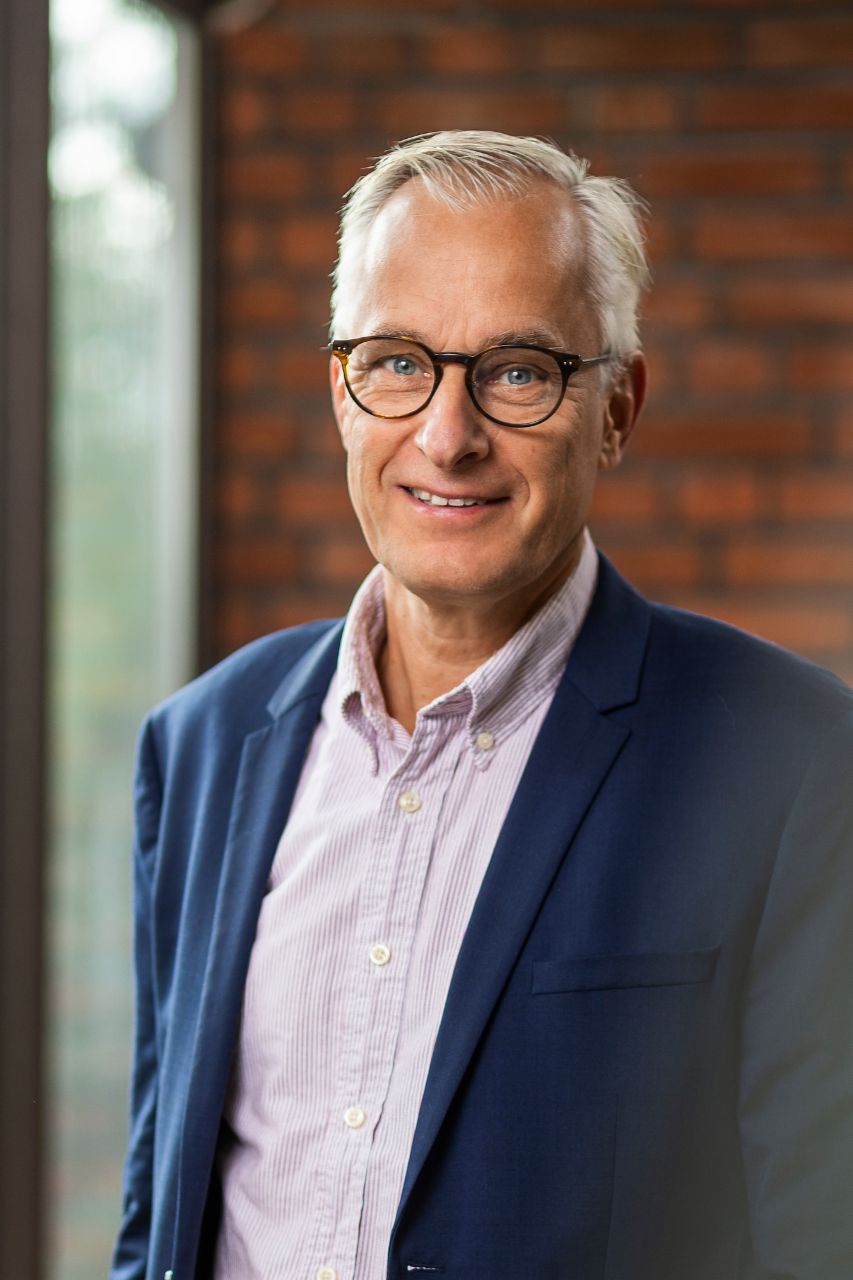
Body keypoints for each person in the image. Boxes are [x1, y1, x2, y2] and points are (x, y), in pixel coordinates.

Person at [111, 131, 853, 1280]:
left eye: (517, 370)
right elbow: (161, 1211)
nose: (447, 436)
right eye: (399, 361)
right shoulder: (202, 741)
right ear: (344, 395)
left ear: (616, 408)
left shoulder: (792, 761)